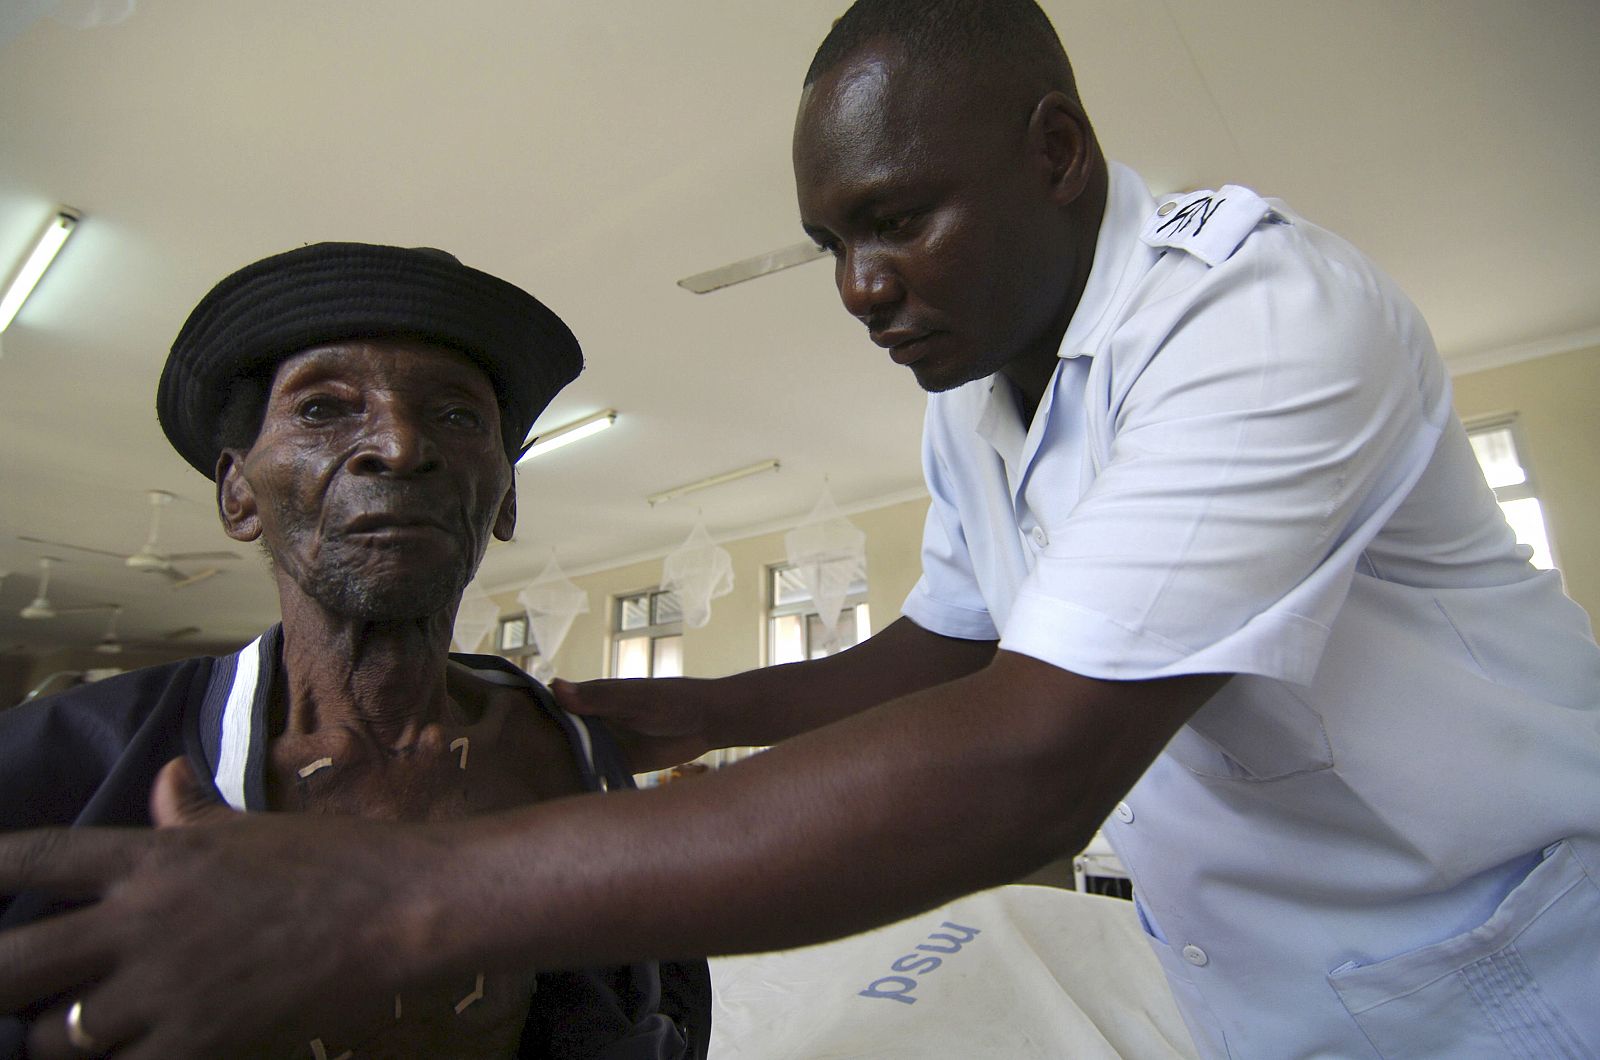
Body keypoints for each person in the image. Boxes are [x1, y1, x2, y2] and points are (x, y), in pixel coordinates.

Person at [3, 2, 1598, 1057]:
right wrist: (685, 712)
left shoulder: (1257, 318)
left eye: (898, 219)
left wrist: (383, 899)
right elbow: (941, 651)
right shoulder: (971, 403)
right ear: (233, 486)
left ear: (1057, 153)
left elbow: (1023, 757)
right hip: (1263, 983)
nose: (858, 287)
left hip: (1497, 970)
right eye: (832, 243)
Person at [0, 242, 711, 1059]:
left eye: (456, 415)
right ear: (238, 495)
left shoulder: (571, 751)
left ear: (506, 498)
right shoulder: (58, 771)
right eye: (323, 408)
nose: (402, 447)